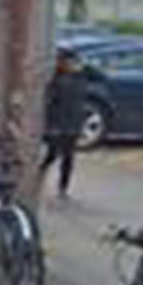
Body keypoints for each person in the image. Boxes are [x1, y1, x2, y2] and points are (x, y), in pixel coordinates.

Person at [38, 46, 94, 200]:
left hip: (74, 122)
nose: (70, 65)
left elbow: (98, 75)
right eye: (66, 62)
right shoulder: (57, 79)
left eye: (72, 62)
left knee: (68, 157)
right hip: (58, 122)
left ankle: (63, 188)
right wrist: (50, 124)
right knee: (53, 153)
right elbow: (49, 101)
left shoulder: (81, 76)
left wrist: (83, 67)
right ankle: (39, 172)